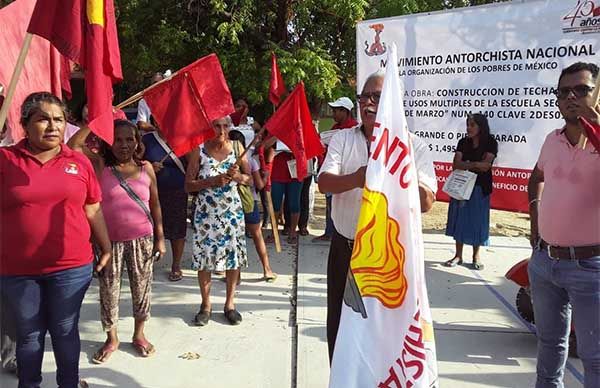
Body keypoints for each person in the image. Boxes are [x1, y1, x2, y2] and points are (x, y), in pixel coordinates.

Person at [318, 71, 437, 363]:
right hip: (345, 252)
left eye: (376, 97)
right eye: (363, 97)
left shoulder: (413, 146)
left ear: (393, 103)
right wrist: (360, 178)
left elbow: (427, 201)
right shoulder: (344, 139)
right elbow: (324, 183)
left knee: (387, 335)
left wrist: (397, 172)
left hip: (390, 261)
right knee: (340, 328)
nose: (367, 103)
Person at [0, 92, 112, 387]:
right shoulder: (5, 160)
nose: (52, 126)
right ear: (25, 124)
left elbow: (93, 207)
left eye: (59, 119)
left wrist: (106, 245)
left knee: (64, 330)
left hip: (71, 267)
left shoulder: (79, 161)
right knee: (29, 334)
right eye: (43, 119)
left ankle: (69, 383)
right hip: (17, 270)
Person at [68, 120, 166, 363]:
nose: (124, 145)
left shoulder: (146, 168)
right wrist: (97, 120)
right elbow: (74, 144)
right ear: (108, 142)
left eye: (129, 139)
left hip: (142, 240)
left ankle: (139, 335)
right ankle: (112, 339)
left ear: (137, 142)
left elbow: (155, 204)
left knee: (142, 290)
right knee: (108, 292)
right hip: (108, 243)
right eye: (117, 139)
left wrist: (160, 238)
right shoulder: (100, 165)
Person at [527, 62, 600, 388]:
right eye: (564, 92)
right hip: (545, 263)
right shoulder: (551, 140)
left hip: (590, 268)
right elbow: (537, 177)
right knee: (549, 344)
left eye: (582, 90)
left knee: (594, 356)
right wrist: (535, 221)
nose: (571, 97)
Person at [185, 116, 251, 326]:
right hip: (206, 213)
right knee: (204, 258)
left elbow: (251, 179)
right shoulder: (199, 149)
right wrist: (211, 181)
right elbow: (188, 185)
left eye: (225, 126)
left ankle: (230, 304)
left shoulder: (238, 147)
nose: (221, 130)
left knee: (233, 257)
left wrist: (239, 177)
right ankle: (206, 305)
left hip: (231, 212)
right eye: (217, 126)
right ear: (209, 127)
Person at [443, 113, 498, 270]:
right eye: (468, 124)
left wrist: (467, 163)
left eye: (472, 125)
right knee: (459, 220)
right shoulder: (463, 142)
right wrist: (475, 164)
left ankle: (476, 256)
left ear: (481, 126)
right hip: (461, 187)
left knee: (477, 221)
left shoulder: (490, 142)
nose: (469, 128)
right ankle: (458, 255)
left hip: (480, 187)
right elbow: (456, 164)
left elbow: (486, 165)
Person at [142, 119, 188, 282]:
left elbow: (192, 164)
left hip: (177, 191)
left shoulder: (182, 139)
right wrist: (149, 167)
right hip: (152, 191)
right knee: (150, 227)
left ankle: (176, 265)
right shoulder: (147, 139)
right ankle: (147, 263)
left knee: (177, 228)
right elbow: (136, 161)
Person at [229, 130, 277, 282]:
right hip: (250, 201)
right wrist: (265, 175)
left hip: (230, 204)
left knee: (235, 239)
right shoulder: (251, 161)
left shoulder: (223, 160)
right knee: (257, 237)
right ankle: (267, 269)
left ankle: (236, 275)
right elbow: (259, 185)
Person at [313, 97, 358, 242]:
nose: (333, 114)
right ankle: (329, 232)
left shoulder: (355, 129)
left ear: (345, 111)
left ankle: (340, 234)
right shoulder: (334, 129)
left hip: (348, 175)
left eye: (336, 111)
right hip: (332, 172)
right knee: (330, 204)